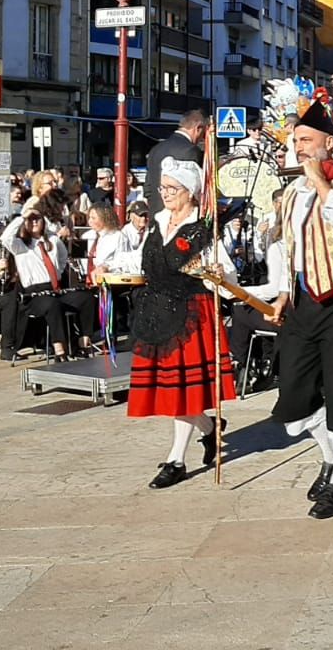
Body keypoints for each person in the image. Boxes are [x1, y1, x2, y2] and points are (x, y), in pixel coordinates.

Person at [266, 100, 333, 520]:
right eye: (295, 141)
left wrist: (319, 179)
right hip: (302, 298)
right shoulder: (295, 190)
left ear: (329, 142)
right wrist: (282, 291)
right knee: (294, 392)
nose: (299, 147)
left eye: (306, 139)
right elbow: (288, 246)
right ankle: (331, 456)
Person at [129, 158, 234, 489]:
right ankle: (210, 429)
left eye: (172, 188)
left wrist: (219, 274)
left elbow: (227, 274)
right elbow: (144, 260)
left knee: (182, 391)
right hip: (156, 311)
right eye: (162, 187)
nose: (165, 194)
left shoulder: (203, 228)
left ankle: (176, 460)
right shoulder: (158, 221)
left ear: (190, 191)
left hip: (190, 313)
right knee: (174, 390)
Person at [2, 207, 98, 360]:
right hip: (34, 294)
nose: (34, 222)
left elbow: (63, 257)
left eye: (37, 219)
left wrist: (57, 273)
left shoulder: (53, 240)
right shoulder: (20, 245)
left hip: (54, 288)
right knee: (52, 304)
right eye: (30, 220)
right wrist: (23, 216)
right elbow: (5, 238)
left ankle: (83, 343)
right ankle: (60, 349)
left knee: (86, 298)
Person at [145, 110, 207, 196]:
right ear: (198, 128)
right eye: (203, 133)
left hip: (155, 203)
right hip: (179, 203)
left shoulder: (155, 149)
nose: (202, 138)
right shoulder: (190, 150)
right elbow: (194, 187)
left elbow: (148, 187)